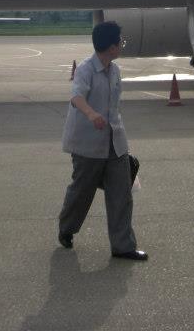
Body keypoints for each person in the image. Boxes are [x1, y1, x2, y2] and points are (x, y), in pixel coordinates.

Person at [58, 21, 146, 261]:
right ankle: (66, 228)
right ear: (111, 46)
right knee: (81, 192)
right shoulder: (85, 69)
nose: (122, 45)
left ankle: (123, 246)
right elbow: (76, 97)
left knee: (121, 194)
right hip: (87, 143)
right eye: (121, 41)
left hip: (115, 142)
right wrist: (91, 114)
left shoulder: (115, 70)